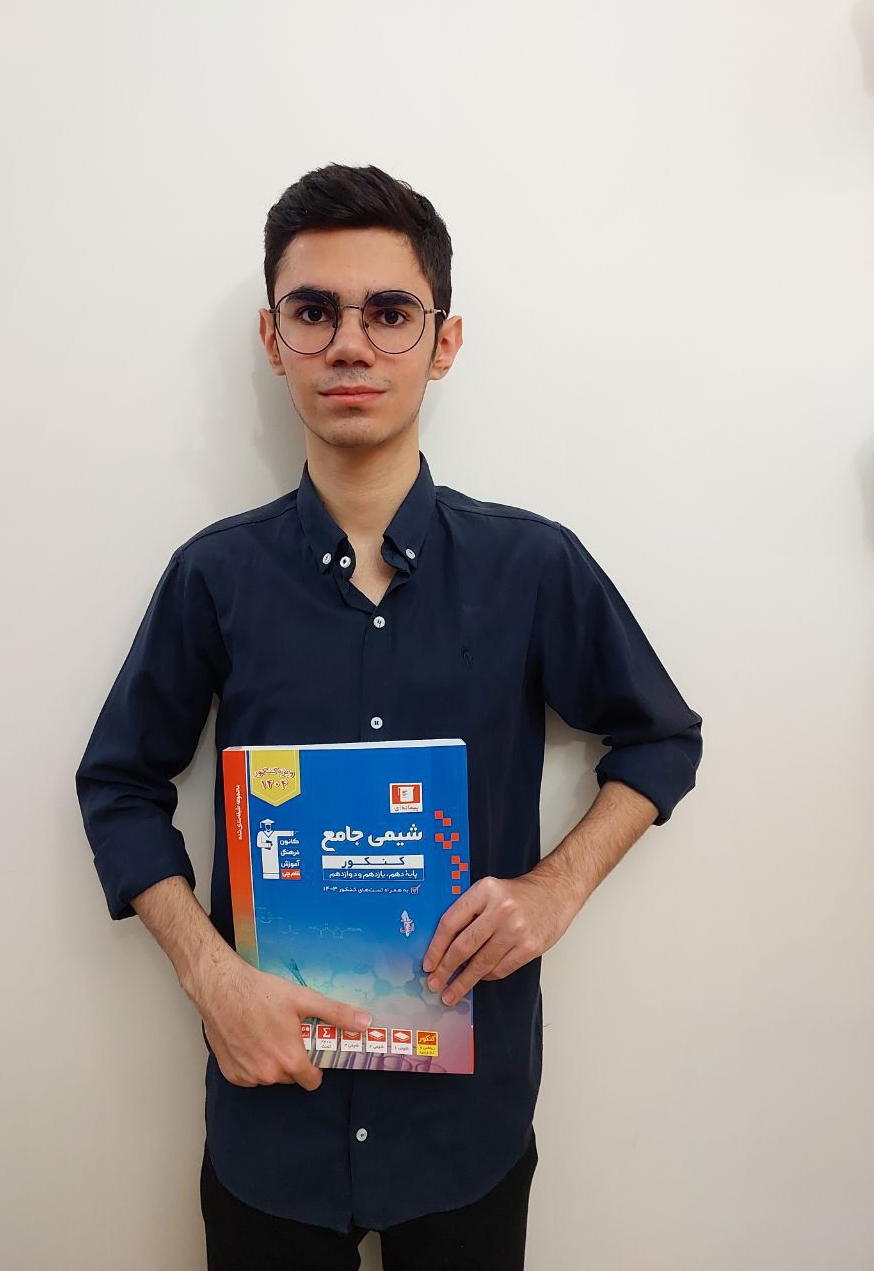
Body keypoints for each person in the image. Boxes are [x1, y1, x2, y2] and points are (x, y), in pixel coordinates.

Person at [74, 163, 703, 1271]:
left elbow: (661, 736)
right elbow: (119, 783)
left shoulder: (532, 566)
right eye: (314, 311)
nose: (350, 344)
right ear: (273, 339)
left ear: (442, 341)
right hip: (272, 1123)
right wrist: (212, 977)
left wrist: (555, 889)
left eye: (390, 312)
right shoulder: (215, 577)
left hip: (466, 1134)